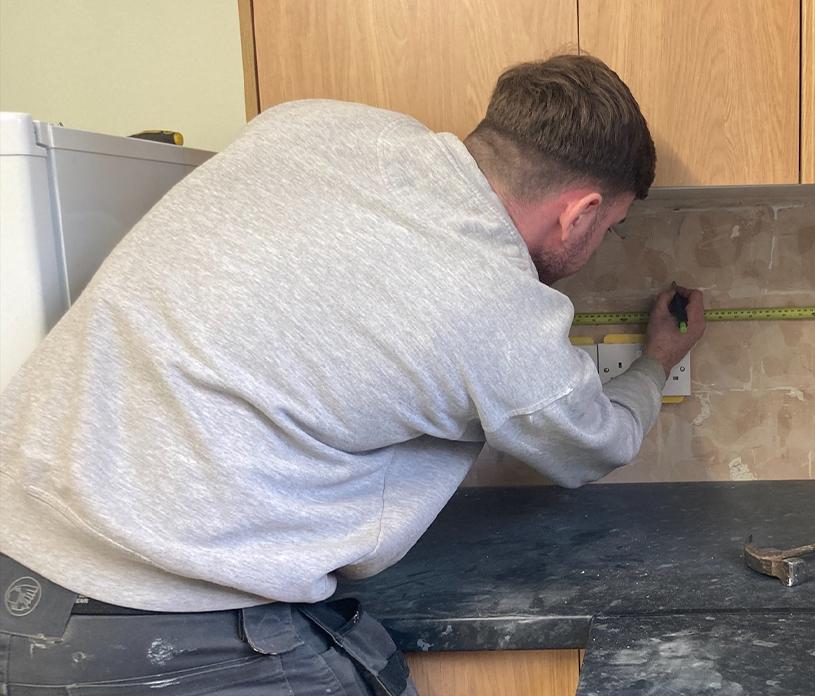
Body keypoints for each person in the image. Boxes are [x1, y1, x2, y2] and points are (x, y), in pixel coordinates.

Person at [0, 54, 705, 695]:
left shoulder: (307, 124)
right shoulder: (496, 302)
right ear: (579, 212)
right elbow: (594, 444)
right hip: (166, 628)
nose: (598, 240)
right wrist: (658, 360)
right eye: (609, 226)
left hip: (20, 563)